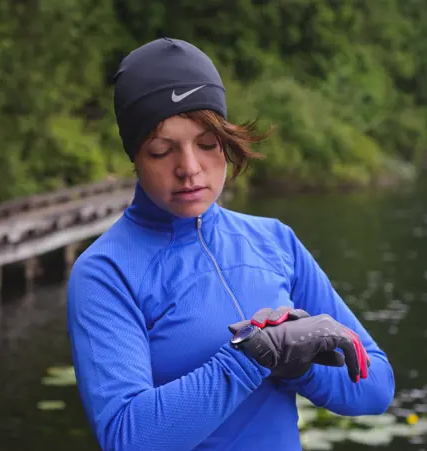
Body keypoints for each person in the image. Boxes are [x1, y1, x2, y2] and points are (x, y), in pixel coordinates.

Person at [66, 38, 395, 451]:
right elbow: (129, 437)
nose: (188, 168)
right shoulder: (106, 272)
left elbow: (377, 385)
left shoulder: (274, 240)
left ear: (226, 141)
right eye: (161, 150)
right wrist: (253, 356)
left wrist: (299, 365)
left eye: (207, 144)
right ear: (135, 156)